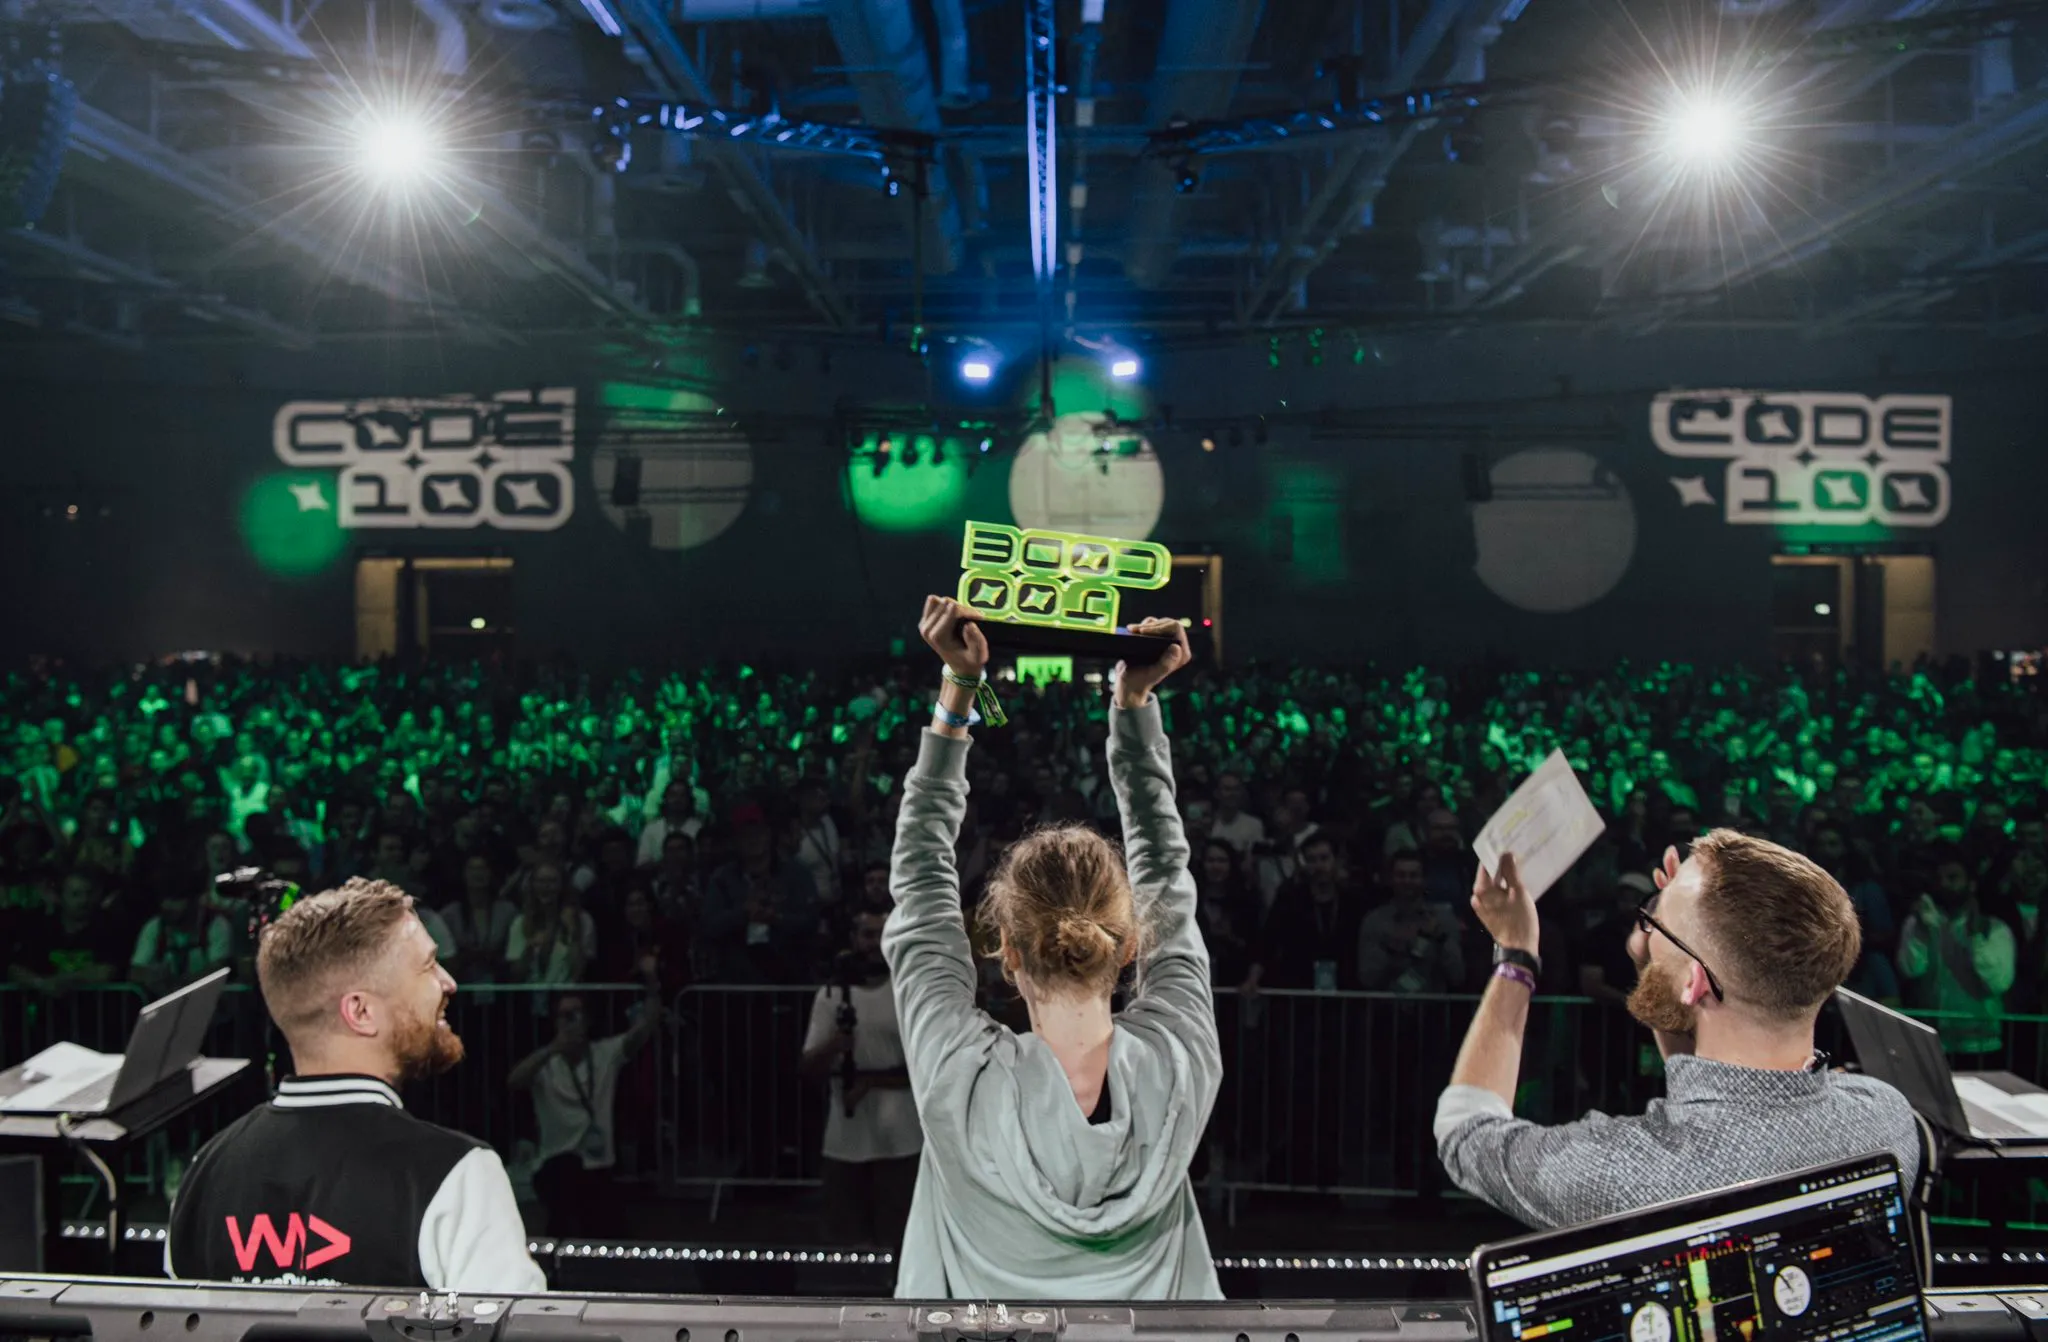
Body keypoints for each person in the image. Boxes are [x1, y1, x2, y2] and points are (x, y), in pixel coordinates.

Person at [886, 597, 1220, 1299]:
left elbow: (920, 881)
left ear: (1006, 952)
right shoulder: (1180, 1064)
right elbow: (1166, 872)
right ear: (1130, 945)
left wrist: (957, 694)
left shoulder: (956, 1073)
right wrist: (1133, 705)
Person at [1435, 834, 1919, 1229]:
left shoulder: (1627, 1172)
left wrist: (1517, 955)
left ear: (1695, 982)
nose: (1647, 929)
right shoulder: (1887, 1120)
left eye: (1655, 920)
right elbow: (1727, 1095)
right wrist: (1664, 957)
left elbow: (1465, 1131)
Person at [166, 878, 545, 1291]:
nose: (448, 982)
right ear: (361, 1011)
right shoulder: (457, 1173)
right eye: (428, 966)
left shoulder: (205, 1172)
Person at [507, 965, 663, 1237]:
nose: (571, 1022)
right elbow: (514, 1081)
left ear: (588, 1020)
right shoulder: (546, 1063)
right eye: (565, 1016)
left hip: (596, 1165)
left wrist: (651, 983)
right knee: (564, 1184)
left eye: (577, 1015)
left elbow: (644, 1029)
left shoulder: (604, 1054)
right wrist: (553, 1049)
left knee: (608, 1228)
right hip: (556, 1165)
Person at [798, 908, 921, 1250]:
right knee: (845, 1243)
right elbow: (807, 1066)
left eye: (881, 935)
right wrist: (836, 1044)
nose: (874, 944)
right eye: (867, 935)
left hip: (902, 1137)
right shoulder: (830, 996)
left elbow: (925, 1067)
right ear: (853, 940)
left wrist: (870, 1083)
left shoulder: (908, 992)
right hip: (845, 1137)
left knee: (900, 1239)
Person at [1897, 845, 2016, 1058]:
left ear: (1971, 884)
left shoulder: (1994, 929)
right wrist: (1923, 932)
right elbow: (1911, 969)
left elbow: (1998, 982)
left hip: (1980, 1044)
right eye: (1939, 878)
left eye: (1953, 878)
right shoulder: (1918, 924)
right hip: (1933, 1042)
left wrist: (1977, 938)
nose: (1944, 884)